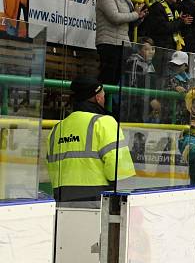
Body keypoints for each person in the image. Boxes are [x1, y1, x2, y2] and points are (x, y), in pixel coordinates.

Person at [46, 76, 136, 206]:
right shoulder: (104, 123)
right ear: (98, 98)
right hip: (97, 205)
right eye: (103, 96)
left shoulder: (56, 129)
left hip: (61, 205)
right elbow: (121, 174)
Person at [95, 0, 146, 85]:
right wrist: (135, 14)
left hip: (123, 44)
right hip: (108, 43)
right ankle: (100, 102)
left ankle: (108, 103)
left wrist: (140, 17)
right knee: (107, 78)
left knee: (116, 80)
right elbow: (115, 18)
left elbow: (130, 21)